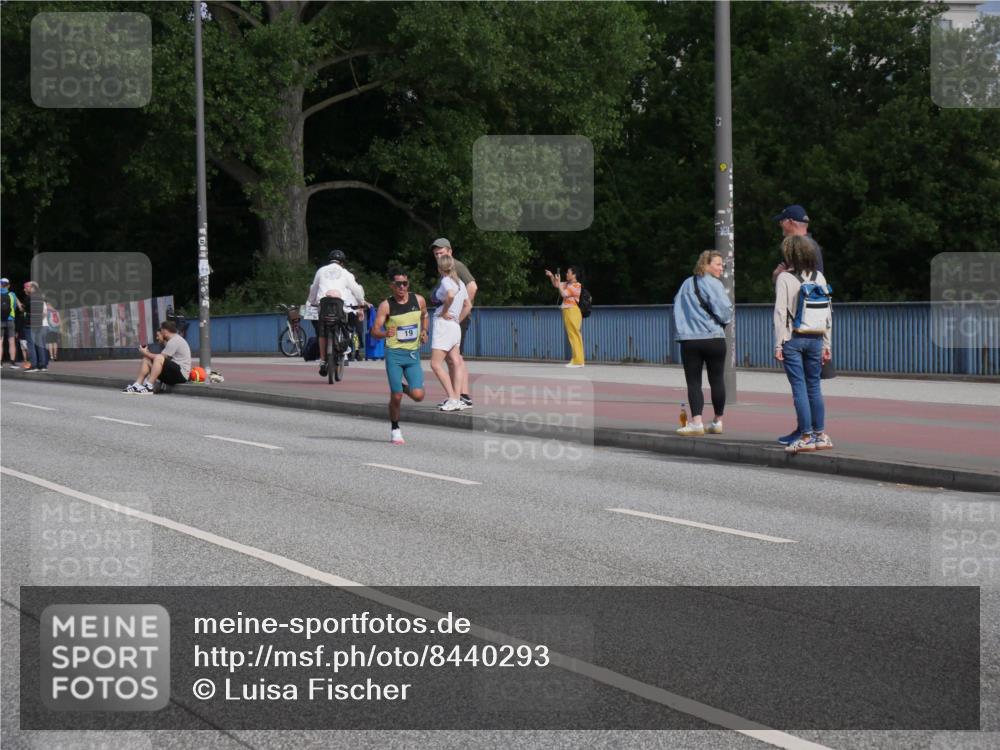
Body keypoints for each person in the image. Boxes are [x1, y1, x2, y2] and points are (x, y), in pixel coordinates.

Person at [774, 235, 833, 453]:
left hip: (793, 339)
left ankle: (805, 436)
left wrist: (778, 344)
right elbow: (828, 315)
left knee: (799, 388)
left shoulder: (785, 279)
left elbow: (780, 313)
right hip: (816, 338)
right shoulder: (820, 277)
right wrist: (828, 345)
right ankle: (820, 435)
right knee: (814, 387)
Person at [672, 250, 733, 436]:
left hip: (690, 340)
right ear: (705, 265)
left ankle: (697, 422)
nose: (721, 268)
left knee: (693, 382)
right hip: (714, 338)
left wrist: (684, 330)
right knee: (717, 380)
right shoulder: (715, 285)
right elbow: (725, 311)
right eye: (718, 264)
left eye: (722, 265)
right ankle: (717, 421)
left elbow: (676, 309)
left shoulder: (685, 285)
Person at [371, 268, 429, 445]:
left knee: (418, 395)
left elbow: (425, 316)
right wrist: (384, 333)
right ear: (392, 286)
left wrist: (425, 331)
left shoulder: (418, 300)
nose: (402, 287)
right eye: (398, 284)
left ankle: (402, 387)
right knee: (396, 397)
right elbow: (374, 331)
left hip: (412, 355)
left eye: (405, 283)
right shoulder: (386, 305)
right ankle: (395, 428)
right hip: (394, 355)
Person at [430, 238, 476, 406]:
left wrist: (448, 312)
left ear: (450, 252)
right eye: (436, 254)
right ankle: (458, 396)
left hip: (450, 322)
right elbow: (467, 301)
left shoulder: (454, 271)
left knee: (438, 363)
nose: (438, 256)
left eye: (441, 253)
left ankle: (458, 396)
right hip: (455, 321)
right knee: (454, 359)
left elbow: (472, 288)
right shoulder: (457, 281)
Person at [307, 249, 366, 377]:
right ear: (342, 262)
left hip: (323, 305)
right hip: (340, 305)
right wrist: (361, 302)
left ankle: (323, 361)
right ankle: (344, 348)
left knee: (322, 332)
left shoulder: (321, 271)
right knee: (344, 326)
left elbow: (313, 288)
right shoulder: (346, 273)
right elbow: (356, 289)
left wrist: (311, 301)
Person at [122, 321, 191, 394]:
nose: (160, 333)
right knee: (147, 359)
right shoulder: (171, 340)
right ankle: (137, 384)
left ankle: (149, 386)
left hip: (181, 375)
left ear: (165, 331)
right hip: (173, 373)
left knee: (158, 358)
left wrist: (145, 352)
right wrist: (147, 354)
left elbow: (161, 358)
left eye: (161, 330)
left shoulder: (175, 340)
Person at [771, 204, 824, 281]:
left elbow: (798, 282)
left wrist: (780, 276)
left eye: (782, 220)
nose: (780, 224)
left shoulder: (797, 247)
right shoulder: (812, 245)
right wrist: (777, 276)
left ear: (791, 222)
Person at [545, 265, 584, 367]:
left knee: (574, 335)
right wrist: (552, 276)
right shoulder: (567, 284)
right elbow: (556, 285)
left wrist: (559, 281)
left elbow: (563, 294)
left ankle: (578, 361)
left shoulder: (576, 286)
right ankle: (577, 360)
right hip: (568, 310)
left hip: (573, 310)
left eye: (568, 272)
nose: (566, 274)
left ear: (574, 274)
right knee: (573, 335)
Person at [21, 281, 49, 372]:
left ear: (32, 287)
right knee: (40, 344)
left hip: (29, 324)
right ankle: (42, 365)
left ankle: (33, 366)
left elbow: (24, 309)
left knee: (31, 345)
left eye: (28, 287)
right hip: (38, 323)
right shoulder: (41, 297)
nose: (26, 288)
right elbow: (43, 312)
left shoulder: (29, 298)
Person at [1, 278, 23, 368]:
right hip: (11, 320)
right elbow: (21, 307)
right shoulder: (12, 294)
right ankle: (13, 363)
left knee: (0, 342)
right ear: (8, 285)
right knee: (12, 341)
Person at [44, 296, 61, 361]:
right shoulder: (56, 311)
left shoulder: (47, 312)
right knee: (55, 342)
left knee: (50, 343)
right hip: (56, 329)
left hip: (49, 329)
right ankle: (55, 356)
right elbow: (59, 320)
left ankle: (51, 356)